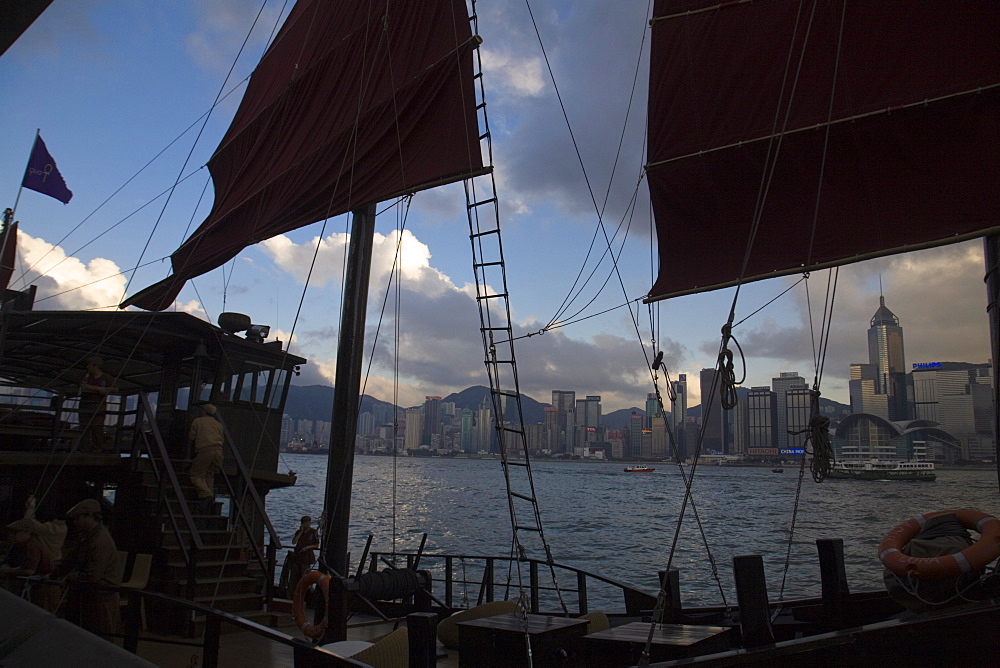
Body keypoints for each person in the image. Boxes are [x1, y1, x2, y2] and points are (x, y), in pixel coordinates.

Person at [54, 498, 122, 637]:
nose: (75, 522)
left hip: (100, 599)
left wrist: (69, 577)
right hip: (90, 597)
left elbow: (93, 576)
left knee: (99, 642)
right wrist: (54, 573)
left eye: (77, 518)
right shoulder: (89, 537)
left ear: (89, 516)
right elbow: (71, 559)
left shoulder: (99, 541)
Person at [1, 518, 58, 611]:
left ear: (26, 533)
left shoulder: (31, 547)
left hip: (41, 588)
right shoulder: (16, 545)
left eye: (15, 532)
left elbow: (29, 570)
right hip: (27, 586)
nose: (10, 535)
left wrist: (7, 571)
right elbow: (8, 561)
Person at [189, 403, 224, 514]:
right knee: (210, 474)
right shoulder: (219, 424)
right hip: (218, 452)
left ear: (204, 411)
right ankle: (209, 501)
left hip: (205, 451)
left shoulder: (198, 421)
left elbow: (192, 437)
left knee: (196, 475)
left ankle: (206, 495)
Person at [77, 356, 118, 453]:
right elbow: (82, 386)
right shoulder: (86, 376)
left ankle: (97, 448)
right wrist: (98, 389)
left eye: (89, 365)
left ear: (95, 366)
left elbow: (116, 389)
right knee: (84, 428)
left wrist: (106, 390)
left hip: (99, 407)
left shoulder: (106, 377)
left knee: (97, 428)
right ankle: (84, 448)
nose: (87, 367)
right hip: (85, 405)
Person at [21, 494, 68, 566]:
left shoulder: (55, 528)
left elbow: (28, 523)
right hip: (51, 560)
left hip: (46, 562)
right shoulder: (61, 527)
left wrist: (31, 507)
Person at [288, 515, 320, 596]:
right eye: (306, 523)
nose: (308, 524)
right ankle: (292, 593)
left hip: (307, 557)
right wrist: (301, 531)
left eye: (309, 522)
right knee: (294, 577)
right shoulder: (298, 532)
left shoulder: (313, 532)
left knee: (305, 575)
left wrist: (308, 547)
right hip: (297, 557)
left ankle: (305, 594)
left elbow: (317, 545)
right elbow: (294, 542)